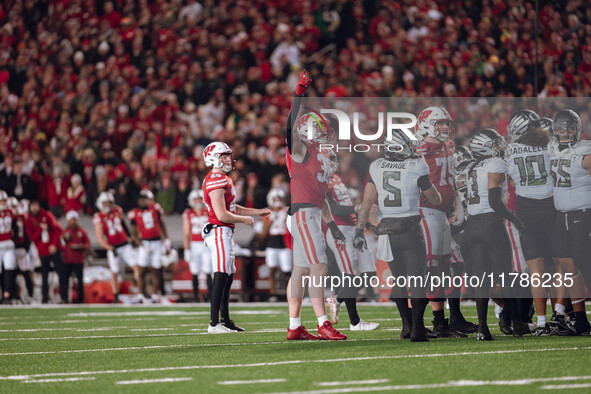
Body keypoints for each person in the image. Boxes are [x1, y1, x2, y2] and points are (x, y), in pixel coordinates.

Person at [354, 130, 442, 342]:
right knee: (418, 280)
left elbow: (367, 203)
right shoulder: (416, 166)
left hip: (387, 231)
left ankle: (406, 325)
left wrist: (359, 230)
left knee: (400, 281)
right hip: (411, 229)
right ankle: (418, 328)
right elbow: (435, 199)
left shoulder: (376, 166)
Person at [285, 72, 348, 341]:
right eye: (319, 129)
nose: (324, 134)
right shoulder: (301, 150)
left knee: (301, 269)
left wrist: (332, 225)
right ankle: (323, 323)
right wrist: (299, 96)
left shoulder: (322, 156)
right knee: (318, 266)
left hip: (312, 212)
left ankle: (295, 325)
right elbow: (290, 127)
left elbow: (321, 196)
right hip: (302, 213)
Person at [463, 128, 530, 340]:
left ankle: (483, 328)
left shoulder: (471, 167)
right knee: (505, 275)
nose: (498, 146)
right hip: (490, 223)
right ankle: (518, 323)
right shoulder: (495, 164)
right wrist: (516, 220)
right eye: (494, 143)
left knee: (481, 279)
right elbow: (493, 201)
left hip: (472, 225)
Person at [415, 106, 475, 337]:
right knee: (432, 266)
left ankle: (449, 319)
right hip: (426, 211)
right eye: (440, 123)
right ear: (427, 124)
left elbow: (448, 181)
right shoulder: (420, 149)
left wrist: (457, 203)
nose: (445, 128)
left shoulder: (444, 148)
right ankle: (429, 322)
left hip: (441, 214)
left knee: (451, 263)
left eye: (447, 123)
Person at [201, 141, 271, 333]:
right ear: (214, 159)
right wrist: (245, 220)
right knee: (221, 274)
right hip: (219, 229)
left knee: (228, 275)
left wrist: (257, 212)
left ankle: (225, 320)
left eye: (228, 155)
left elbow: (232, 207)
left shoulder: (223, 178)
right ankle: (214, 323)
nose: (228, 159)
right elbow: (222, 214)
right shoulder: (216, 179)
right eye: (224, 155)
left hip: (225, 231)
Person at [505, 110, 562, 336]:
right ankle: (559, 313)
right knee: (559, 264)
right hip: (551, 209)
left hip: (526, 212)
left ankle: (540, 322)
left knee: (536, 270)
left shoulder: (508, 152)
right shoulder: (551, 147)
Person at [324, 149, 379, 331]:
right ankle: (355, 322)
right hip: (340, 230)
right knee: (349, 277)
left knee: (369, 274)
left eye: (334, 158)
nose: (334, 162)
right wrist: (357, 207)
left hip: (353, 229)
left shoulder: (336, 179)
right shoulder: (321, 181)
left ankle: (337, 299)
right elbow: (333, 210)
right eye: (330, 158)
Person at [548, 109, 591, 336]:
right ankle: (580, 320)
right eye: (561, 129)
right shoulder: (552, 148)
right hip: (561, 215)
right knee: (567, 266)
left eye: (570, 129)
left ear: (578, 130)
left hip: (583, 215)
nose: (565, 134)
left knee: (585, 265)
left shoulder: (586, 151)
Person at [93, 191, 139, 303]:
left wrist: (130, 238)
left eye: (109, 202)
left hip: (125, 244)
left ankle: (140, 291)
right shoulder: (98, 217)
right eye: (105, 203)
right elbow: (100, 238)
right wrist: (110, 248)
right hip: (113, 246)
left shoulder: (117, 210)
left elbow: (123, 224)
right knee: (114, 272)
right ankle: (116, 296)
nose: (108, 205)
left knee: (137, 267)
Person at [128, 190, 171, 300]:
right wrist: (141, 245)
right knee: (141, 270)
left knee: (156, 269)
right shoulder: (135, 213)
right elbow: (133, 234)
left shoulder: (155, 209)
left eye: (145, 199)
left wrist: (166, 239)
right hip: (144, 243)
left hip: (156, 242)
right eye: (141, 199)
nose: (143, 201)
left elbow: (162, 224)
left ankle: (155, 294)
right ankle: (140, 294)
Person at [26, 199, 65, 303]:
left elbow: (58, 230)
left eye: (36, 205)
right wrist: (40, 228)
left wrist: (53, 244)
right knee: (44, 275)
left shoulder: (47, 215)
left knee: (61, 272)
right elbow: (32, 238)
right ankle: (45, 298)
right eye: (32, 205)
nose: (34, 208)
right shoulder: (29, 219)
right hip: (42, 251)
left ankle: (63, 297)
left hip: (54, 249)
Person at [182, 189, 212, 302]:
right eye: (196, 199)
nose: (198, 201)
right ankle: (195, 296)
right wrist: (187, 249)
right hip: (194, 245)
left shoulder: (208, 211)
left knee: (208, 270)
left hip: (206, 244)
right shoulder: (188, 213)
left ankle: (210, 296)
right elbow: (186, 233)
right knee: (194, 271)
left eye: (200, 199)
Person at [261, 188, 291, 297]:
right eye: (276, 198)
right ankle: (273, 293)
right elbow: (262, 234)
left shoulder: (287, 211)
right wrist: (270, 220)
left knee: (287, 270)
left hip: (284, 242)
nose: (278, 200)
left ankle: (289, 293)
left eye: (280, 198)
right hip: (272, 242)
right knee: (272, 269)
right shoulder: (267, 212)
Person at [62, 210, 90, 303]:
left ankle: (80, 300)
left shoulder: (81, 231)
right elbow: (61, 244)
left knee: (79, 281)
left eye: (74, 219)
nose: (72, 221)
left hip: (78, 259)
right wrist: (64, 238)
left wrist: (81, 246)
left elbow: (87, 244)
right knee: (65, 280)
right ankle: (65, 299)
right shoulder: (65, 231)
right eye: (71, 220)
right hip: (68, 259)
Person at [11, 198, 34, 303]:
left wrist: (26, 247)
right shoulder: (7, 217)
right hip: (11, 249)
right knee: (11, 275)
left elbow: (28, 234)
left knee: (26, 274)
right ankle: (14, 297)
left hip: (22, 248)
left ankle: (30, 296)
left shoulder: (23, 218)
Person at [0, 191, 17, 303]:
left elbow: (15, 229)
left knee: (9, 270)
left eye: (3, 201)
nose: (2, 203)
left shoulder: (11, 212)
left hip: (8, 245)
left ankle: (7, 295)